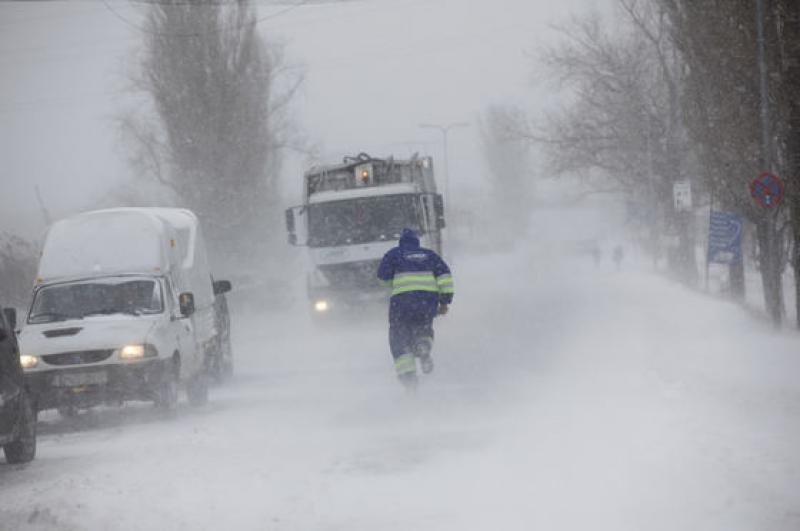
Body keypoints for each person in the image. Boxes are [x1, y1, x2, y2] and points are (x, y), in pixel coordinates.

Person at [377, 228, 454, 388]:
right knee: (423, 328)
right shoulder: (430, 255)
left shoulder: (393, 254)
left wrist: (394, 284)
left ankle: (409, 378)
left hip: (401, 304)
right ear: (417, 242)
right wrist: (445, 301)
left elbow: (382, 278)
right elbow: (445, 276)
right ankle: (423, 345)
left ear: (401, 242)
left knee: (399, 339)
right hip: (427, 303)